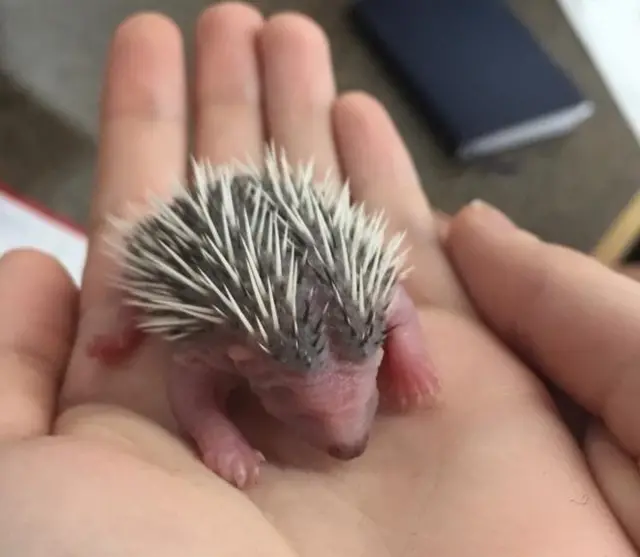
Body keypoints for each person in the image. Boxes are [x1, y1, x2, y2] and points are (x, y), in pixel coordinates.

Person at [0, 3, 638, 554]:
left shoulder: (365, 310)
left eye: (357, 399)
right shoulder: (221, 342)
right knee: (141, 282)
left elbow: (395, 306)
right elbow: (190, 387)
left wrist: (407, 360)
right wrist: (216, 434)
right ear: (241, 359)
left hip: (299, 246)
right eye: (302, 410)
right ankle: (124, 314)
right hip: (210, 244)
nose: (349, 440)